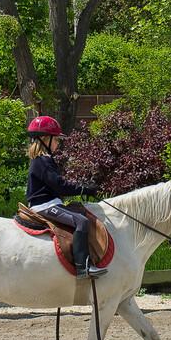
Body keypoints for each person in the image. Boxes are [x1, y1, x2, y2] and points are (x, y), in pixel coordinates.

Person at [25, 115, 106, 278]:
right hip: (44, 205)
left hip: (50, 202)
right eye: (55, 140)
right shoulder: (42, 161)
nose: (57, 144)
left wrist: (82, 187)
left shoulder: (45, 160)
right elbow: (60, 186)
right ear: (44, 139)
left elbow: (59, 184)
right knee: (80, 221)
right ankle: (83, 267)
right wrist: (84, 189)